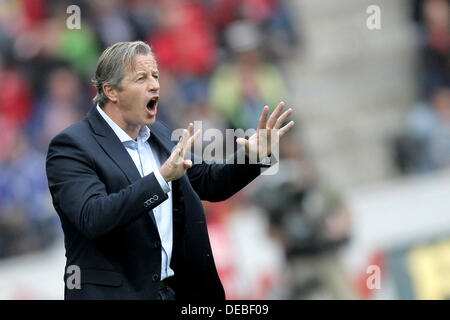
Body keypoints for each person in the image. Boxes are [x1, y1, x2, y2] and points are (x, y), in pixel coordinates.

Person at [45, 41, 294, 300]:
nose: (154, 85)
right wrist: (161, 179)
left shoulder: (159, 133)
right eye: (141, 78)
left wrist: (254, 156)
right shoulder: (72, 146)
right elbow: (93, 217)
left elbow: (210, 182)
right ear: (111, 91)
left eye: (155, 76)